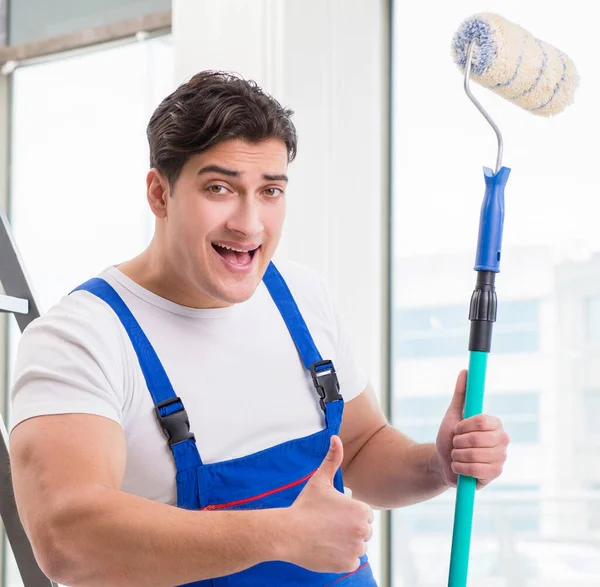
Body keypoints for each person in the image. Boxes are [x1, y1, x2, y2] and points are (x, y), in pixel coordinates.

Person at [8, 71, 509, 587]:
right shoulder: (83, 337)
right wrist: (283, 536)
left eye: (270, 191)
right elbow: (67, 538)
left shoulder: (300, 297)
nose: (249, 225)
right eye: (220, 188)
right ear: (160, 193)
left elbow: (359, 451)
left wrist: (440, 464)